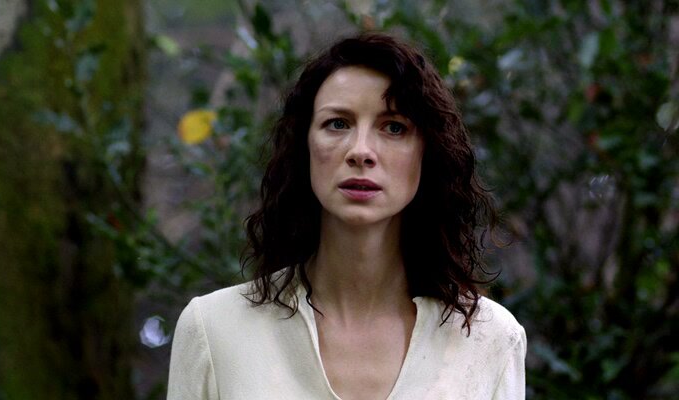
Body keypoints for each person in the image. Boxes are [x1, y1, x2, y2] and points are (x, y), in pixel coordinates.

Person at [167, 32, 526, 400]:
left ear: (427, 151)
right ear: (304, 145)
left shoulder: (490, 341)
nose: (361, 151)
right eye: (338, 123)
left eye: (394, 127)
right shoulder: (214, 330)